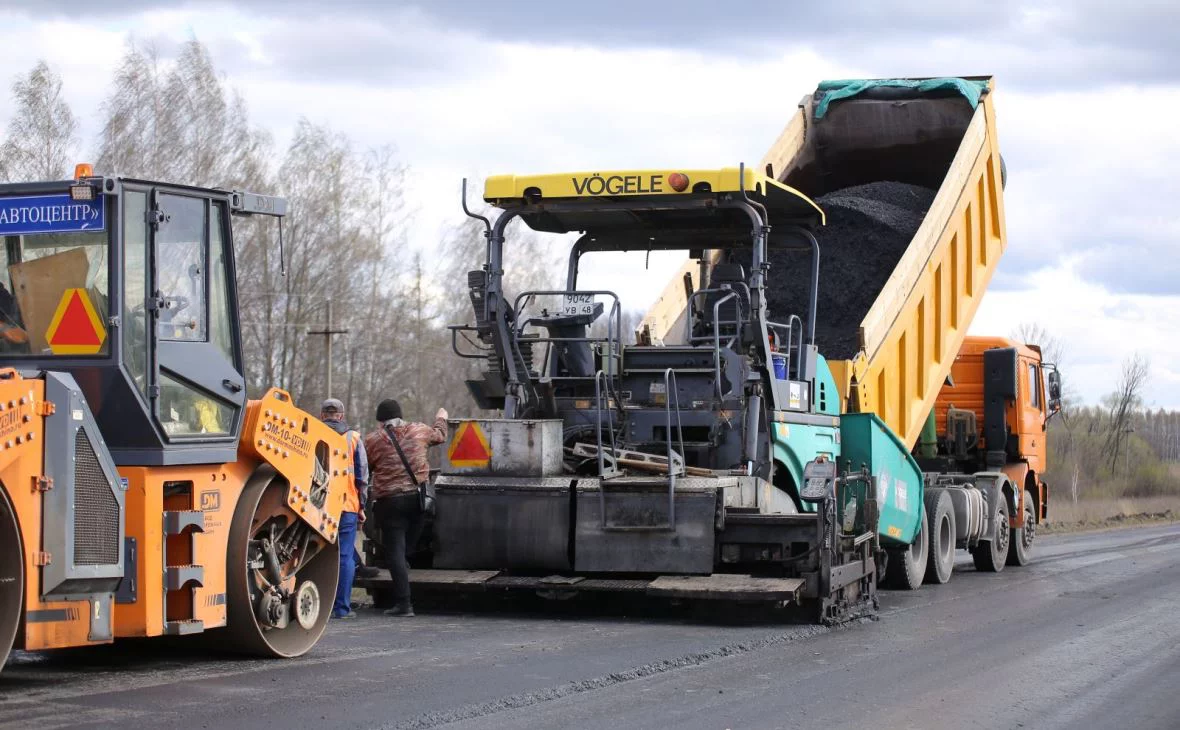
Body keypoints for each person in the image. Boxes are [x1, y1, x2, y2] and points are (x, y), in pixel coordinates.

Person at [365, 398, 447, 617]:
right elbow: (440, 435)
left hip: (389, 502)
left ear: (380, 421)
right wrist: (441, 418)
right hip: (417, 500)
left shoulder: (372, 440)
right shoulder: (419, 430)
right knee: (407, 547)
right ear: (401, 416)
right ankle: (405, 567)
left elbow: (367, 467)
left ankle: (404, 604)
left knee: (396, 554)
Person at [319, 398, 369, 620]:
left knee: (317, 554)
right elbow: (362, 476)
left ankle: (317, 608)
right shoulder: (354, 438)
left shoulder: (312, 433)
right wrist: (362, 506)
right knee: (345, 556)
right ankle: (341, 608)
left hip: (317, 505)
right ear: (341, 415)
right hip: (347, 505)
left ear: (322, 415)